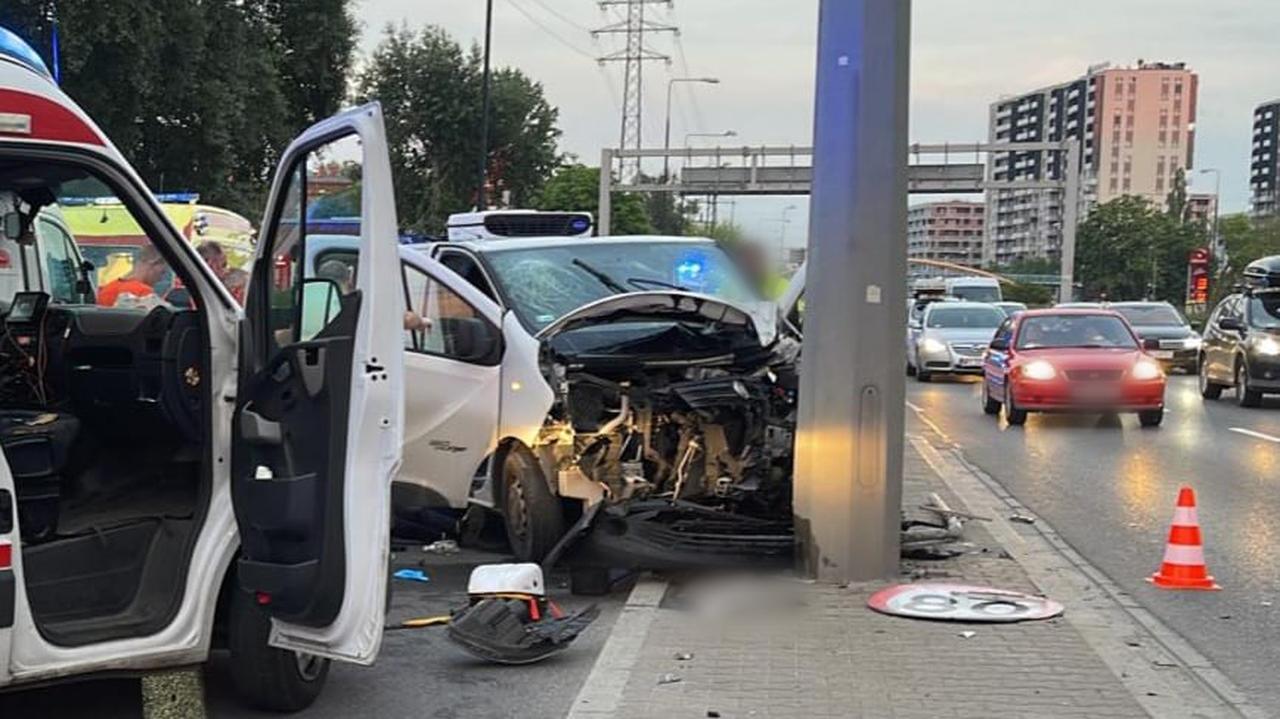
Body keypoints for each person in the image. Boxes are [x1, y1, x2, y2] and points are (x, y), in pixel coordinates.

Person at [98, 245, 167, 307]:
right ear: (152, 263)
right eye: (162, 273)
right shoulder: (144, 293)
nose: (160, 279)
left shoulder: (108, 288)